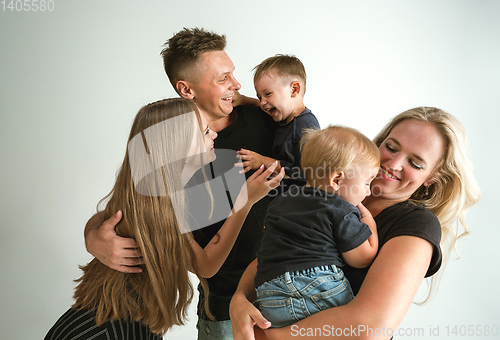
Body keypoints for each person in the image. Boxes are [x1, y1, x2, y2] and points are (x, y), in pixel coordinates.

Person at [84, 28, 280, 339]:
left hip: (290, 292)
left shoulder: (269, 118)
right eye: (222, 78)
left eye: (233, 74)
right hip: (223, 306)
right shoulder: (165, 139)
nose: (236, 84)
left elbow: (316, 165)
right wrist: (93, 236)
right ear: (186, 90)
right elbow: (130, 202)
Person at [229, 107, 481, 340]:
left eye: (415, 163)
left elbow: (370, 327)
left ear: (431, 177)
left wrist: (270, 336)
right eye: (391, 147)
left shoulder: (417, 224)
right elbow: (276, 253)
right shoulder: (332, 192)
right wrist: (239, 299)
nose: (393, 164)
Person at [45, 98, 283, 339]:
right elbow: (205, 265)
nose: (213, 135)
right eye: (204, 131)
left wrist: (92, 233)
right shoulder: (157, 202)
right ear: (176, 146)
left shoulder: (158, 190)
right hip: (104, 326)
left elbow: (103, 216)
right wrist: (244, 202)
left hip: (131, 318)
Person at [254, 126, 380, 328]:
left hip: (269, 294)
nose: (368, 191)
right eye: (367, 182)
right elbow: (363, 258)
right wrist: (368, 221)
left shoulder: (281, 201)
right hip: (318, 286)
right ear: (337, 179)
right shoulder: (341, 209)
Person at [237, 55, 320, 190]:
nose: (262, 102)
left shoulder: (305, 124)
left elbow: (303, 172)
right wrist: (242, 100)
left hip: (298, 197)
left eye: (268, 94)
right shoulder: (284, 115)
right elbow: (260, 105)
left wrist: (262, 161)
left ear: (294, 90)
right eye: (259, 97)